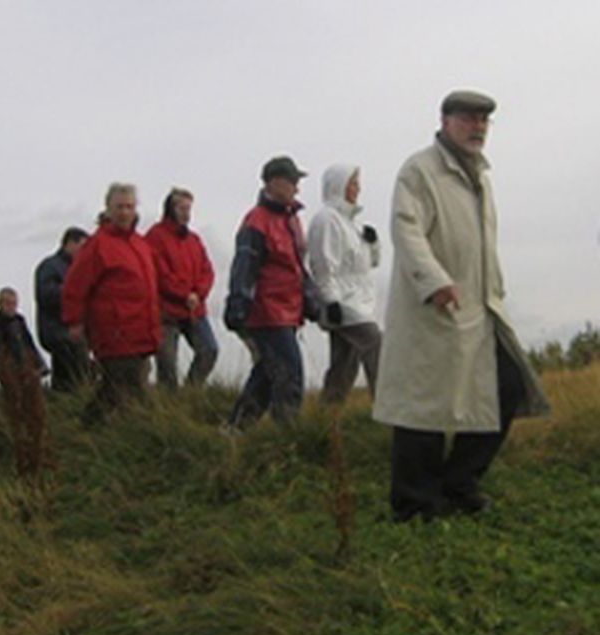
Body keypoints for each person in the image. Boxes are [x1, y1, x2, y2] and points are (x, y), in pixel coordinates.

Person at [373, 90, 549, 521]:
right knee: (425, 405)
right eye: (469, 118)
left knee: (507, 387)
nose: (478, 128)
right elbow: (406, 229)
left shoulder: (480, 177)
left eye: (484, 121)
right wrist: (433, 281)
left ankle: (458, 482)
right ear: (445, 120)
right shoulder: (420, 171)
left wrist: (496, 291)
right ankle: (414, 504)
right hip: (434, 307)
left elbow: (483, 245)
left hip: (480, 307)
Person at [224, 155, 319, 427]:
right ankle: (286, 435)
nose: (297, 188)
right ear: (274, 183)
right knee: (290, 375)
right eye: (292, 181)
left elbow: (298, 267)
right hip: (267, 313)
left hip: (288, 311)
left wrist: (311, 302)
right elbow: (244, 267)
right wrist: (238, 305)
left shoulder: (291, 221)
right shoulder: (256, 221)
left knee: (267, 374)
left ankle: (235, 430)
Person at [62, 183, 161, 423]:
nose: (125, 212)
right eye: (119, 207)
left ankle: (111, 429)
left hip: (141, 328)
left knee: (127, 385)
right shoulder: (97, 245)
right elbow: (75, 285)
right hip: (114, 329)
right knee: (118, 386)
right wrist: (74, 321)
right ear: (108, 209)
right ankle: (90, 427)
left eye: (129, 206)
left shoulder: (140, 243)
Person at [308, 164, 382, 404]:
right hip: (344, 303)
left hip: (359, 303)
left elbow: (371, 263)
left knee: (344, 363)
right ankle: (387, 407)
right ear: (338, 185)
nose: (357, 188)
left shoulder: (352, 224)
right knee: (377, 344)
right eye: (352, 182)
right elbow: (322, 263)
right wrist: (330, 301)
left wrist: (373, 244)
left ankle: (326, 416)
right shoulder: (326, 220)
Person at [145, 188, 218, 389]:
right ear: (170, 208)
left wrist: (198, 294)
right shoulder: (155, 236)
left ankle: (191, 392)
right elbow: (159, 273)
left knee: (209, 350)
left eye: (189, 208)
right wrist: (184, 295)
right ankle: (169, 406)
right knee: (167, 364)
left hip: (195, 310)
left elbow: (207, 270)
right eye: (182, 208)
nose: (187, 213)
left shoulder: (194, 240)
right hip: (166, 313)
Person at [0, 287, 47, 476]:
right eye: (7, 303)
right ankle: (21, 456)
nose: (11, 307)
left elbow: (29, 343)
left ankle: (37, 456)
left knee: (36, 413)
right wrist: (1, 372)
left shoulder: (19, 322)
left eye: (13, 303)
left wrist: (39, 364)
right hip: (11, 373)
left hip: (27, 371)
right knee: (16, 413)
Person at [34, 227, 90, 392]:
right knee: (70, 368)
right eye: (82, 246)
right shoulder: (50, 266)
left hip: (73, 328)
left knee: (77, 366)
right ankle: (67, 397)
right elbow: (45, 295)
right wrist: (74, 290)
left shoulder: (78, 268)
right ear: (69, 243)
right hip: (56, 329)